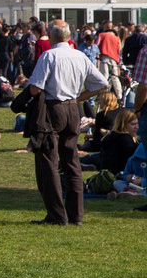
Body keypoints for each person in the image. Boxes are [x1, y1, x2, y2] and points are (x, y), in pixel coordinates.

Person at [21, 20, 107, 225]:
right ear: (69, 36)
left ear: (50, 35)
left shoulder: (49, 55)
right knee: (72, 162)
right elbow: (101, 84)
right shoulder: (79, 55)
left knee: (48, 162)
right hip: (72, 108)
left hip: (52, 108)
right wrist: (79, 98)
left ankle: (56, 214)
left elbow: (35, 88)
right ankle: (75, 215)